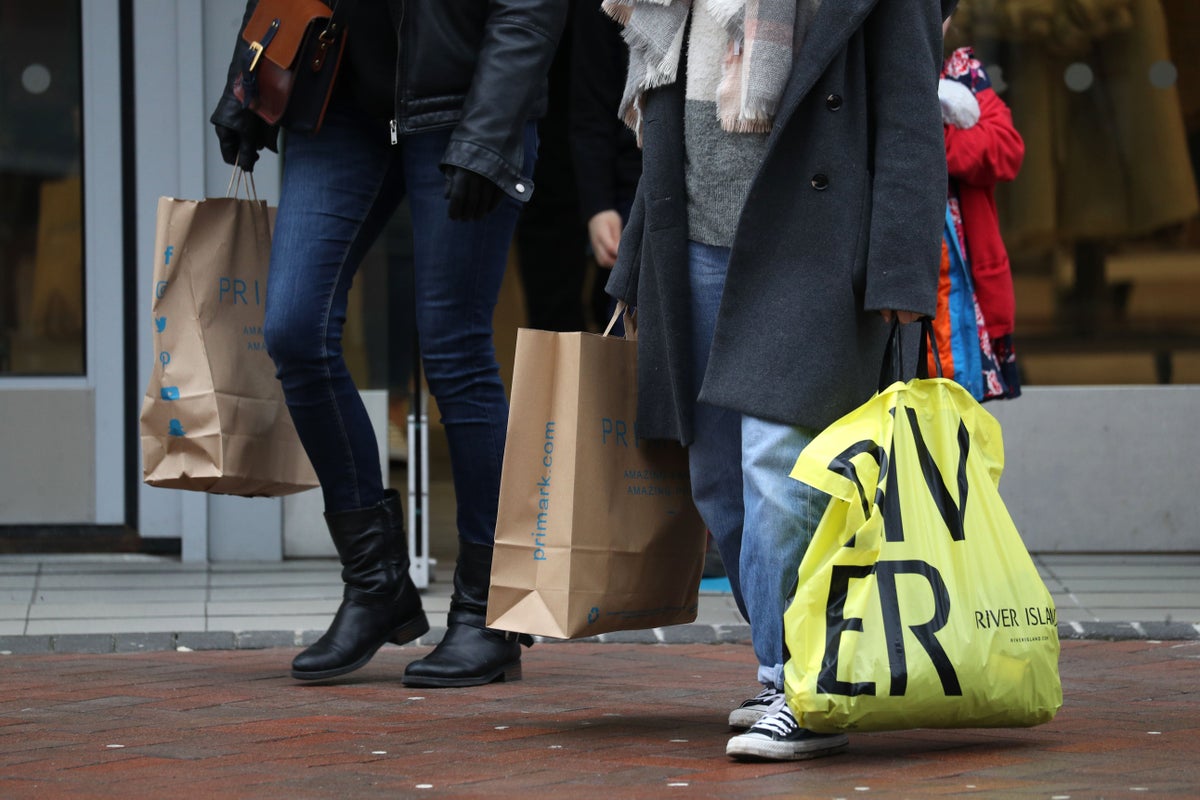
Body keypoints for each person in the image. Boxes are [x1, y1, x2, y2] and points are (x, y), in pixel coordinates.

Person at [603, 0, 954, 761]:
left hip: (812, 246)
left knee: (778, 466)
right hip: (694, 241)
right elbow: (666, 116)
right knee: (719, 480)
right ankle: (782, 673)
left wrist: (900, 270)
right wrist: (637, 259)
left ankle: (805, 687)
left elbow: (909, 117)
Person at [210, 0, 568, 688]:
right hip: (337, 103)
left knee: (455, 349)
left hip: (462, 105)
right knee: (293, 328)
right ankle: (376, 584)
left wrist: (491, 129)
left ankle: (488, 614)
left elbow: (528, 10)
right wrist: (250, 79)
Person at [936, 21, 1025, 400]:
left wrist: (932, 137)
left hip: (964, 277)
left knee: (958, 406)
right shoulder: (868, 67)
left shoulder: (963, 73)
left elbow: (1005, 149)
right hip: (904, 274)